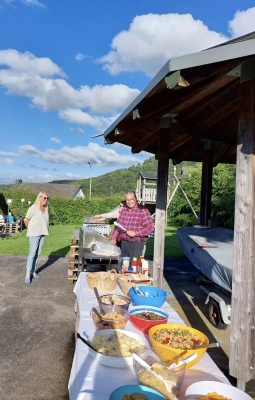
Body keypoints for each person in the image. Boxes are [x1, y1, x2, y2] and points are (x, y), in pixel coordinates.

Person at [111, 191, 154, 261]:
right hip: (124, 243)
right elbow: (118, 225)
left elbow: (150, 228)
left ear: (135, 199)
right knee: (124, 267)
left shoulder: (143, 210)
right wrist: (114, 237)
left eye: (131, 199)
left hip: (136, 244)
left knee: (134, 268)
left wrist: (136, 233)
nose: (129, 202)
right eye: (127, 200)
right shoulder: (124, 209)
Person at [23, 192, 49, 284]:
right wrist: (30, 229)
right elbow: (26, 219)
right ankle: (27, 275)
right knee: (32, 254)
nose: (46, 200)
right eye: (44, 198)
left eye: (47, 198)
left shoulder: (46, 208)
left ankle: (33, 272)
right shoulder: (33, 208)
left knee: (38, 253)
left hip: (42, 233)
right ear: (39, 198)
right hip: (34, 234)